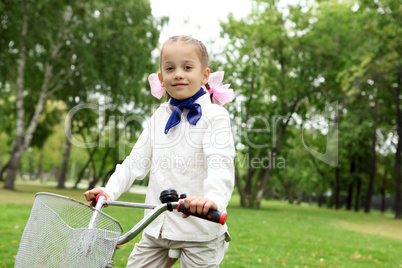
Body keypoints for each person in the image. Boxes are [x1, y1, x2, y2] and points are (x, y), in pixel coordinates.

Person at [85, 35, 235, 268]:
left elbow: (220, 163)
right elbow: (135, 162)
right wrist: (108, 191)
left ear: (204, 75)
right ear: (161, 78)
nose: (178, 73)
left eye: (187, 67)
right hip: (158, 226)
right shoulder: (159, 116)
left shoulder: (215, 116)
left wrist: (212, 199)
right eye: (170, 68)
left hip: (199, 228)